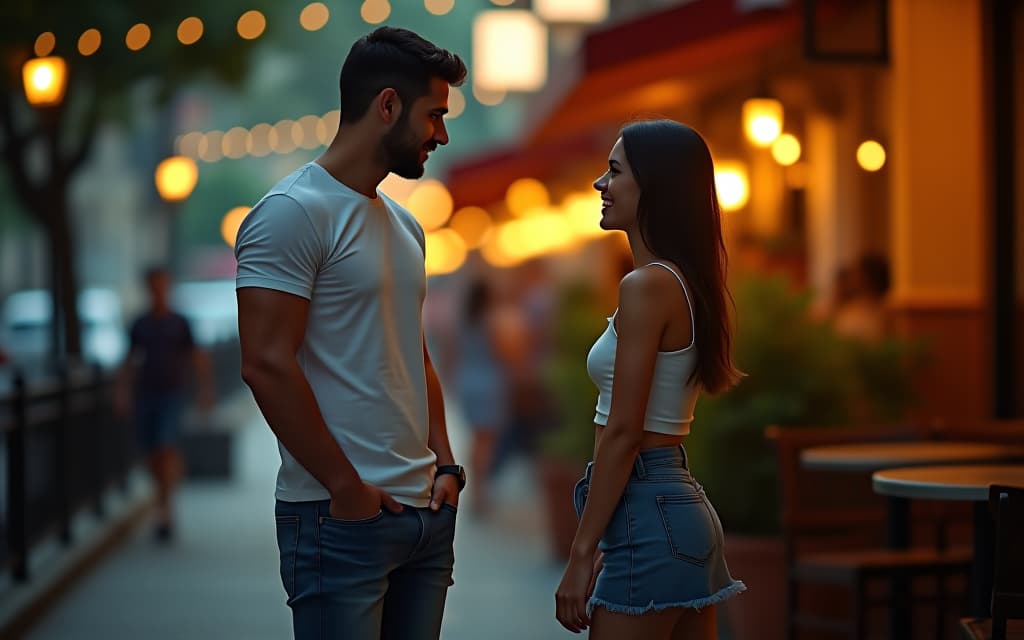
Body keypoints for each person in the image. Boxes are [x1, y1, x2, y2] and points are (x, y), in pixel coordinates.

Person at [234, 27, 467, 640]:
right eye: (434, 115)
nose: (441, 134)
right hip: (338, 520)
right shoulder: (291, 212)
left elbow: (414, 355)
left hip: (424, 518)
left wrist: (446, 464)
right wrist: (345, 488)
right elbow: (264, 363)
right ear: (387, 105)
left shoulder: (407, 227)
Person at [555, 120, 747, 639]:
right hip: (675, 507)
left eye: (614, 171)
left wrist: (579, 552)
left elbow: (623, 432)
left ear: (654, 188)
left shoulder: (647, 286)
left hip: (650, 510)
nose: (600, 184)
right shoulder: (681, 282)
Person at [115, 266, 213, 542]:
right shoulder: (140, 323)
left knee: (165, 446)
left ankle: (166, 511)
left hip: (172, 394)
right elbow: (129, 359)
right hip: (146, 394)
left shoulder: (180, 322)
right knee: (152, 454)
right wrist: (122, 393)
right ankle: (165, 494)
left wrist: (206, 391)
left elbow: (198, 356)